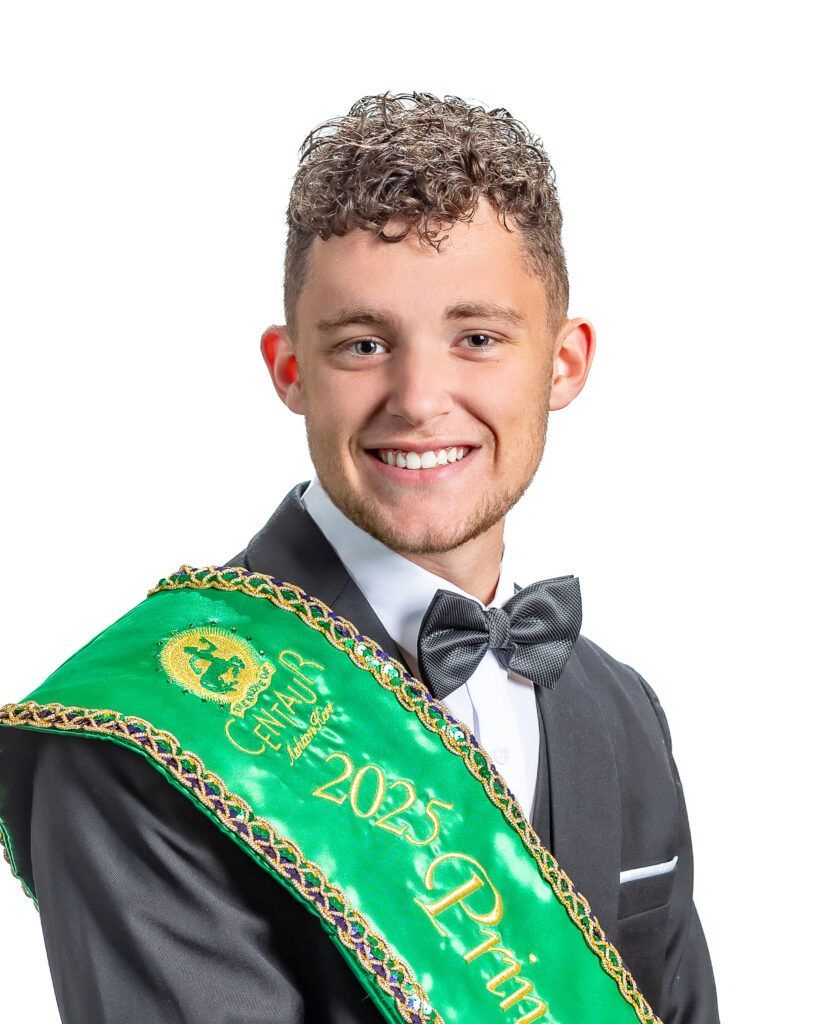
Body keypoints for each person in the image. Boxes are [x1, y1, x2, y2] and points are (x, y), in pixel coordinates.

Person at [0, 91, 719, 1023]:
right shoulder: (148, 734)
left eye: (477, 339)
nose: (420, 398)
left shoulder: (617, 707)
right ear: (290, 367)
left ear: (564, 362)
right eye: (364, 344)